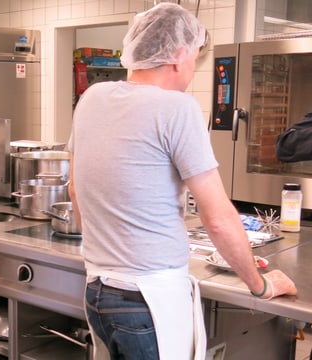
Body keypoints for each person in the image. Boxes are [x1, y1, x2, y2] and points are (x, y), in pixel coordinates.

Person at [67, 3, 297, 360]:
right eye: (194, 58)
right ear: (177, 54)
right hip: (148, 300)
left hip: (98, 291)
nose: (192, 70)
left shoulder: (92, 98)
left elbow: (74, 188)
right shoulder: (178, 108)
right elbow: (218, 218)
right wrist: (261, 285)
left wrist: (110, 246)